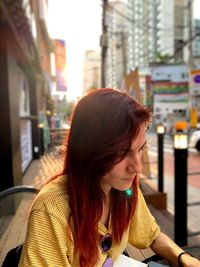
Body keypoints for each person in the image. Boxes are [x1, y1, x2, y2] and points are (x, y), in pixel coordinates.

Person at [19, 88, 200, 267]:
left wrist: (183, 257)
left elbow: (152, 234)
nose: (137, 167)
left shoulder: (124, 191)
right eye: (122, 153)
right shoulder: (51, 210)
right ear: (89, 150)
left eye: (141, 149)